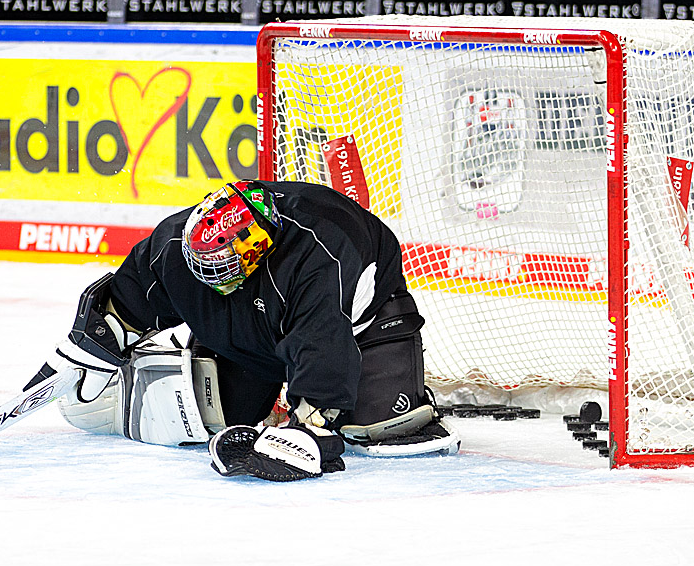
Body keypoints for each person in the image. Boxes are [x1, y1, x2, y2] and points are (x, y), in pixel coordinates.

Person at [23, 180, 460, 482]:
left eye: (223, 267)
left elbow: (323, 341)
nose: (210, 275)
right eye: (204, 265)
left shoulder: (320, 256)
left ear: (256, 250)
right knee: (215, 414)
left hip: (361, 324)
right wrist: (94, 340)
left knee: (382, 425)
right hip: (257, 327)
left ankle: (358, 395)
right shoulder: (177, 243)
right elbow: (136, 289)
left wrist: (311, 422)